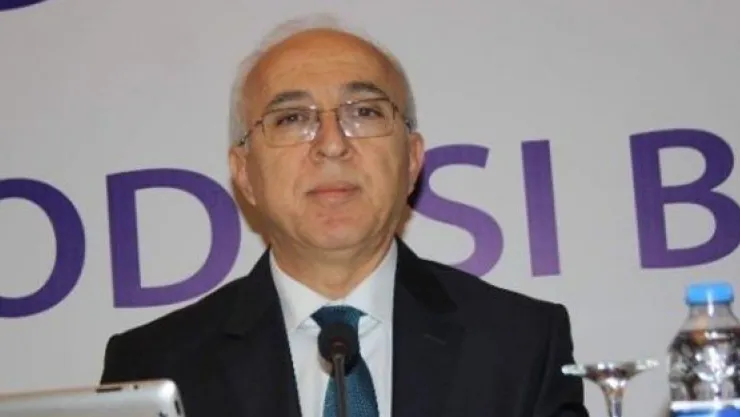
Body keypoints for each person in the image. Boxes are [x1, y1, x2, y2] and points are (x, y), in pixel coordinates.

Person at [99, 15, 589, 417]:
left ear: (412, 159)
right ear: (244, 173)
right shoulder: (154, 365)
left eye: (364, 112)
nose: (332, 144)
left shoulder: (521, 344)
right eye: (293, 119)